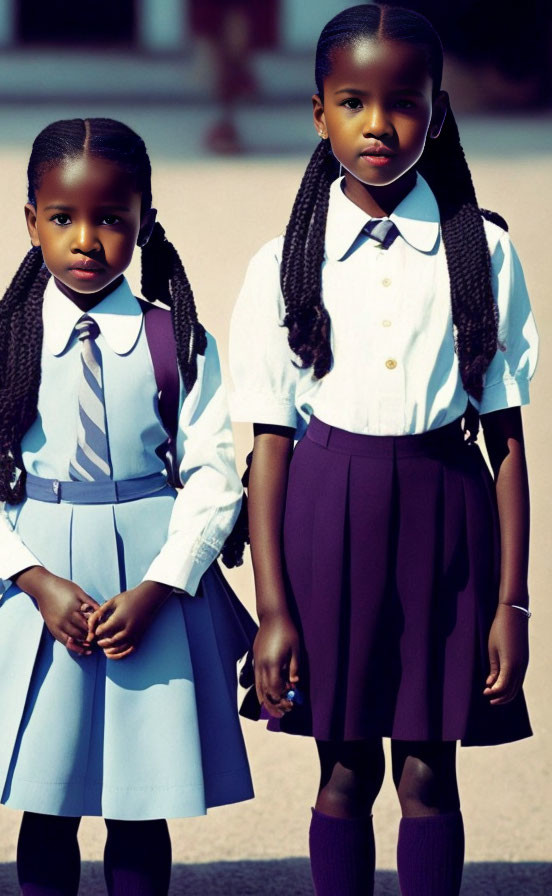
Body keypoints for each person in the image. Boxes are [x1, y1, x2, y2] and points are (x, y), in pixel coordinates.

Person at [228, 6, 537, 895]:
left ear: (437, 113)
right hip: (328, 518)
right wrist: (273, 609)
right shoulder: (285, 262)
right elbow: (271, 444)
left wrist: (512, 605)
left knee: (431, 770)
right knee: (346, 769)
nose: (378, 124)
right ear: (318, 112)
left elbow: (507, 440)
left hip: (449, 519)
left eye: (403, 101)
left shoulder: (484, 253)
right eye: (353, 101)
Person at [0, 117, 255, 896]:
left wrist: (161, 586)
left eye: (111, 219)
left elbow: (215, 477)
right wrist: (33, 582)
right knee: (46, 799)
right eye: (63, 218)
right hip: (42, 584)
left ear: (144, 220)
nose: (86, 239)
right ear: (31, 221)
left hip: (151, 582)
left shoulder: (177, 343)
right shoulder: (4, 345)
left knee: (139, 803)